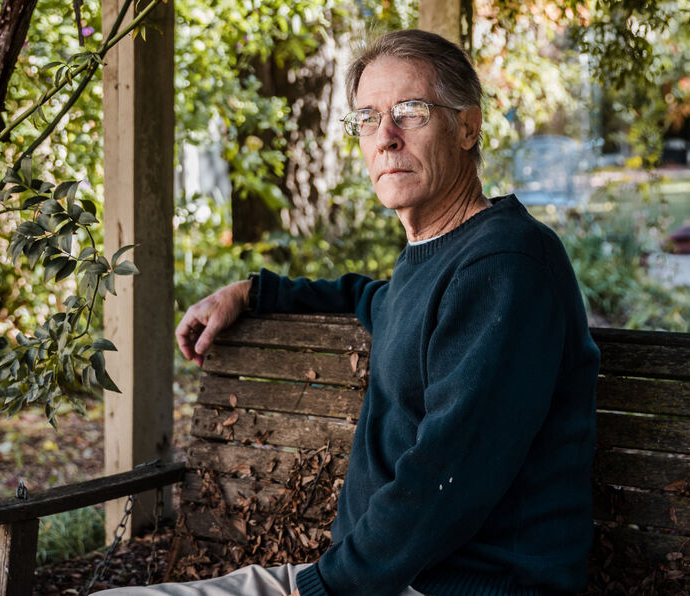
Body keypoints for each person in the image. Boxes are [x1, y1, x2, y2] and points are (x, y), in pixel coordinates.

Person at [115, 28, 600, 596]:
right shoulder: (441, 260)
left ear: (467, 128)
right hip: (380, 579)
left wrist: (325, 586)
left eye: (411, 112)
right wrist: (252, 293)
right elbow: (373, 299)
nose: (386, 138)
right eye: (368, 119)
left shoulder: (505, 266)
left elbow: (446, 478)